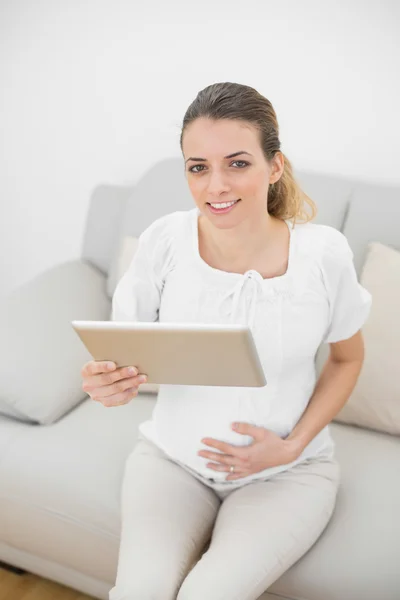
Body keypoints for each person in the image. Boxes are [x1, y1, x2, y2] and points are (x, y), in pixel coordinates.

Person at [81, 82, 372, 600]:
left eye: (237, 163)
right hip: (173, 462)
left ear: (274, 166)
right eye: (198, 167)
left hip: (288, 474)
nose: (216, 185)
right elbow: (124, 357)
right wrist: (110, 384)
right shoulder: (164, 241)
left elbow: (348, 359)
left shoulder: (324, 255)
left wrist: (291, 446)